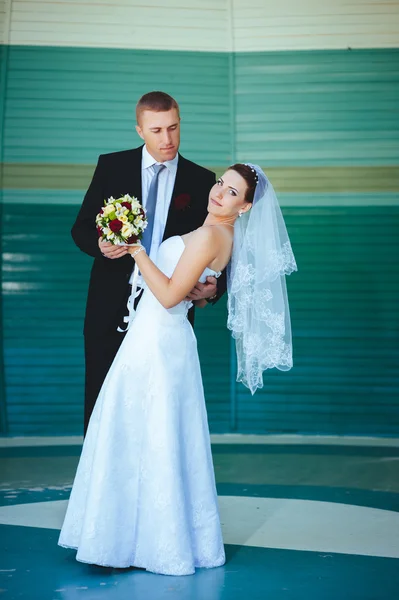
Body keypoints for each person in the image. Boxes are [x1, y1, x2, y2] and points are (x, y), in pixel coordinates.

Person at [58, 163, 297, 576]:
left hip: (157, 340)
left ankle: (132, 542)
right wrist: (200, 293)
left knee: (142, 433)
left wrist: (136, 251)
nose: (219, 191)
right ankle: (144, 539)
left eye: (232, 192)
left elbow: (168, 296)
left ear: (244, 208)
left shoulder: (209, 234)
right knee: (153, 434)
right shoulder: (226, 235)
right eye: (221, 182)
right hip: (160, 339)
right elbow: (195, 294)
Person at [71, 91, 225, 435]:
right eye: (156, 130)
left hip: (170, 312)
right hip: (108, 307)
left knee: (161, 408)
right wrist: (99, 244)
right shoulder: (111, 166)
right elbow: (80, 228)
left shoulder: (202, 180)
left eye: (173, 128)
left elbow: (218, 244)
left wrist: (214, 287)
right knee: (102, 401)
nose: (167, 139)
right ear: (139, 129)